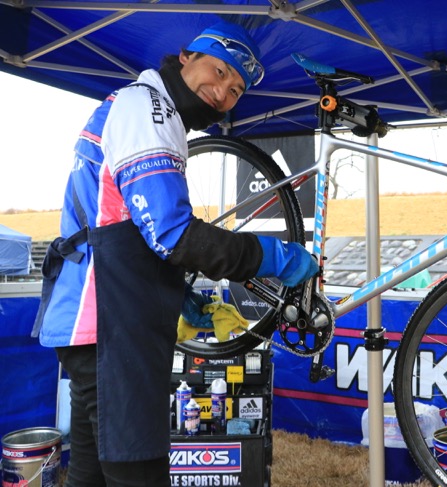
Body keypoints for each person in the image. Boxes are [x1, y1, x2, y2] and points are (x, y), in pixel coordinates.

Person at [32, 21, 318, 486]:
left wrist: (172, 293)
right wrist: (274, 257)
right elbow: (173, 234)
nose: (223, 91)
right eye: (219, 70)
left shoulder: (147, 110)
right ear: (186, 57)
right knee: (137, 471)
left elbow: (127, 222)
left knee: (90, 472)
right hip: (108, 322)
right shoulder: (147, 109)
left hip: (98, 321)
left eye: (236, 89)